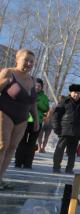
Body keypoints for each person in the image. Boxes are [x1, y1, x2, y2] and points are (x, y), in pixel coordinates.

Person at [0, 49, 39, 189]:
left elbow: (32, 102)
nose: (29, 64)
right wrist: (5, 82)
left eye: (32, 62)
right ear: (17, 59)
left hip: (22, 118)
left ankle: (1, 178)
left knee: (12, 148)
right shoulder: (8, 72)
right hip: (5, 113)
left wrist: (36, 119)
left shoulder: (32, 80)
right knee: (2, 146)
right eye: (26, 60)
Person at [52, 84, 80, 174]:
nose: (76, 95)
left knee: (72, 152)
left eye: (78, 93)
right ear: (70, 92)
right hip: (65, 130)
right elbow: (56, 115)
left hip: (77, 132)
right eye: (74, 92)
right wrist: (56, 127)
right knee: (59, 150)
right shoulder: (64, 101)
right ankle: (56, 167)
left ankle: (69, 168)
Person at [14, 77, 49, 168]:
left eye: (39, 86)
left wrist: (37, 103)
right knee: (21, 142)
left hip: (37, 122)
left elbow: (46, 108)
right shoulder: (27, 92)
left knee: (32, 143)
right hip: (24, 120)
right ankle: (18, 162)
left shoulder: (44, 97)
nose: (37, 87)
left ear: (41, 87)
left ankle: (28, 164)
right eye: (36, 85)